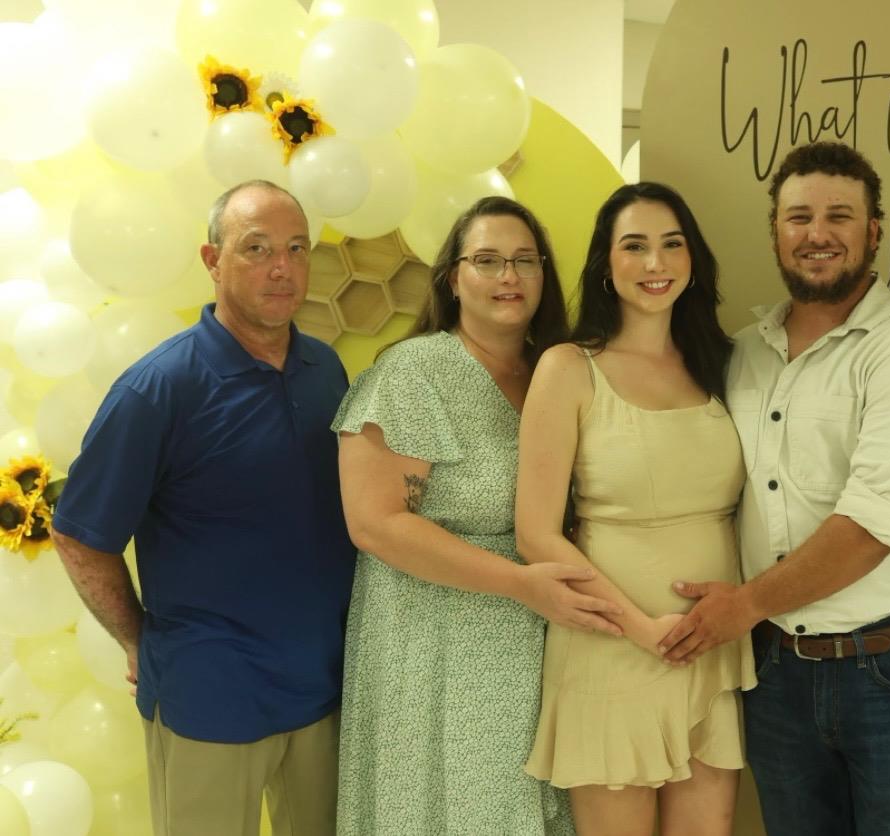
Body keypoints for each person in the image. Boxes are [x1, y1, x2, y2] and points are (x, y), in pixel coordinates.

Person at [657, 142, 890, 835]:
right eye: (798, 217)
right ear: (775, 232)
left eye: (839, 216)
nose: (817, 234)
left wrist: (743, 606)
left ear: (873, 231)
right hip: (773, 671)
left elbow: (871, 525)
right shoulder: (737, 355)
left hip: (888, 671)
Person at [50, 180, 355, 836]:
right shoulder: (158, 389)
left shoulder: (326, 369)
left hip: (326, 691)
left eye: (297, 248)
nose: (282, 266)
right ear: (212, 261)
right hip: (210, 698)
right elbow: (79, 535)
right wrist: (141, 640)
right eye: (256, 248)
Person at [333, 195, 620, 835]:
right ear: (453, 278)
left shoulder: (564, 368)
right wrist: (520, 582)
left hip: (548, 638)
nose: (508, 277)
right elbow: (376, 523)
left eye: (524, 260)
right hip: (438, 643)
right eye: (487, 260)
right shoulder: (416, 371)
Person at [516, 182, 755, 836]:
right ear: (604, 265)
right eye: (636, 246)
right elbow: (536, 533)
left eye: (672, 245)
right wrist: (640, 627)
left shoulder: (724, 363)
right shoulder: (569, 367)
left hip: (710, 647)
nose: (657, 264)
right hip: (610, 650)